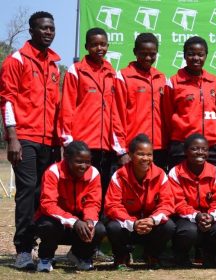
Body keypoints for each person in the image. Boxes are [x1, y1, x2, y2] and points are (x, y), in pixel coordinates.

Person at [0, 11, 62, 269]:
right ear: (31, 31)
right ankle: (23, 250)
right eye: (43, 28)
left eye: (51, 28)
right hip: (24, 137)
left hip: (49, 141)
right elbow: (7, 100)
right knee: (26, 193)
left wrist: (59, 142)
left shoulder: (54, 64)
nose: (48, 32)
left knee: (42, 194)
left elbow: (56, 105)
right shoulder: (16, 60)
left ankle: (39, 246)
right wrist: (12, 137)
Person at [60, 27, 127, 192]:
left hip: (107, 145)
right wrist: (68, 142)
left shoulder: (112, 73)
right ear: (86, 46)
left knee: (103, 189)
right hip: (83, 144)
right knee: (82, 189)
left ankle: (99, 219)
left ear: (108, 46)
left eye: (103, 44)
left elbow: (117, 112)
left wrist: (119, 144)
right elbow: (67, 107)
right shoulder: (76, 70)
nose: (99, 48)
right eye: (94, 44)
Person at [104, 134, 175, 270]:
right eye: (141, 154)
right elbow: (112, 205)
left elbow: (167, 204)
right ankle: (121, 257)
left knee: (169, 226)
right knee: (112, 226)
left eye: (149, 155)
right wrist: (133, 222)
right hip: (128, 225)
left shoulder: (160, 174)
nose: (146, 159)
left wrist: (152, 220)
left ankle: (151, 255)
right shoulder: (119, 175)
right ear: (130, 155)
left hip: (149, 225)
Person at [35, 141, 105, 272]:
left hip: (79, 223)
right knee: (47, 225)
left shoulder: (94, 173)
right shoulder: (53, 171)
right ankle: (46, 258)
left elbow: (93, 203)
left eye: (87, 161)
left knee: (98, 228)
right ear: (66, 158)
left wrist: (89, 221)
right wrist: (74, 221)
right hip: (56, 222)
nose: (84, 166)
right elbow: (48, 204)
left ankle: (80, 256)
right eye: (79, 161)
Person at [169, 134, 216, 268]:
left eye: (204, 149)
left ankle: (209, 256)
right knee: (188, 231)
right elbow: (177, 202)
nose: (200, 153)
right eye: (195, 149)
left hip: (209, 217)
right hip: (186, 218)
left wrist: (211, 216)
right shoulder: (175, 172)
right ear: (185, 151)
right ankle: (181, 256)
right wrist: (196, 216)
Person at [165, 36, 216, 170]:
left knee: (212, 186)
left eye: (200, 54)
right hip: (182, 146)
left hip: (211, 146)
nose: (196, 58)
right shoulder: (173, 82)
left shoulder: (214, 82)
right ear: (184, 56)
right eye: (191, 54)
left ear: (206, 56)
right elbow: (167, 116)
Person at [115, 33, 169, 171]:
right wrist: (121, 150)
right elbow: (116, 115)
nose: (148, 58)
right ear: (135, 52)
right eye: (143, 53)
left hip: (159, 148)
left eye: (152, 54)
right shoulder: (123, 76)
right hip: (133, 148)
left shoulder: (161, 78)